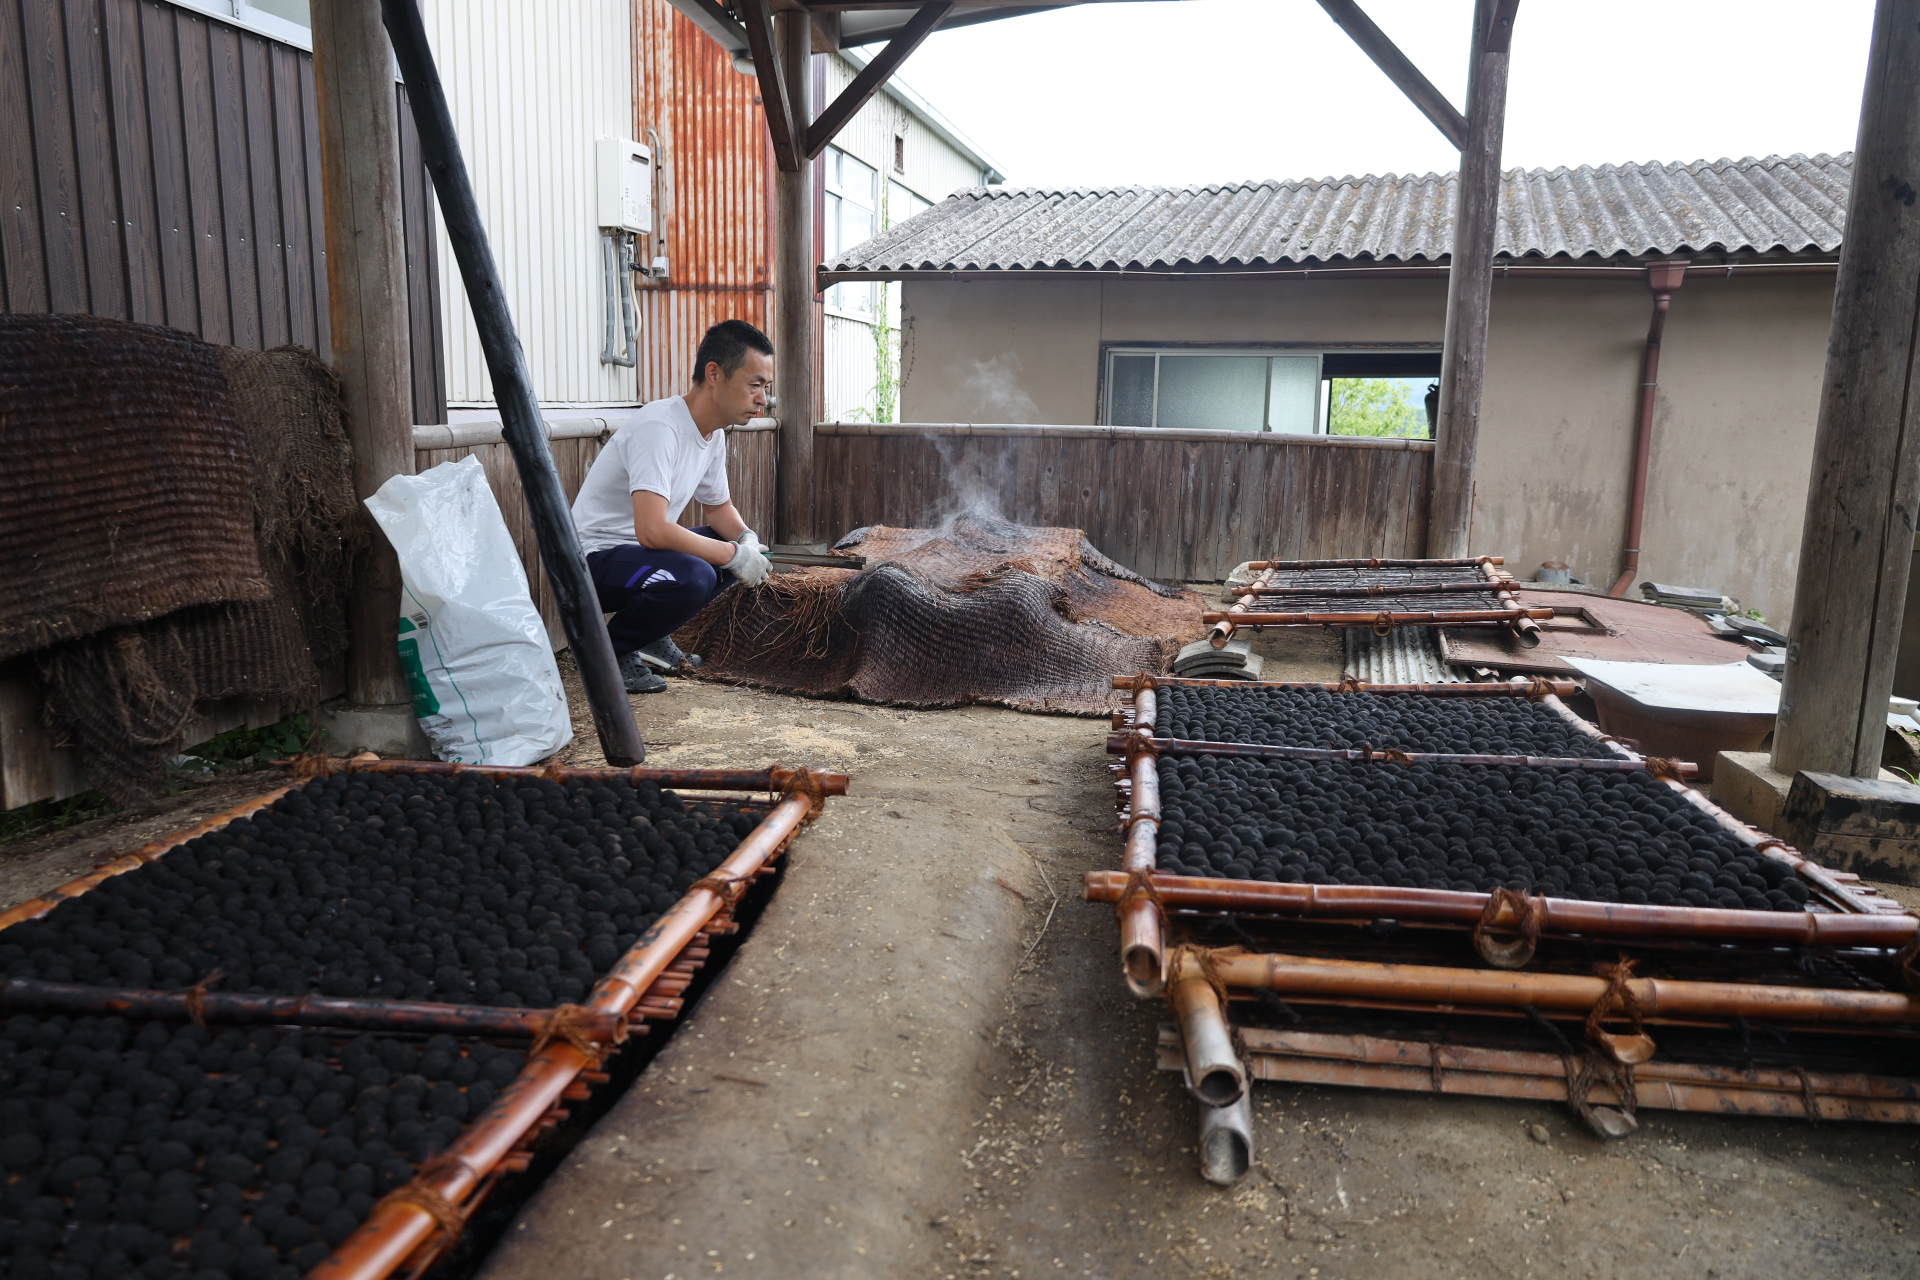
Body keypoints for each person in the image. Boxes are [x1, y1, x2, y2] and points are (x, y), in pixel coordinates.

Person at [571, 319, 776, 694]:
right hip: (590, 562)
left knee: (727, 554)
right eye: (755, 385)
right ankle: (610, 651)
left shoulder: (712, 434)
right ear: (714, 374)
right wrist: (731, 553)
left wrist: (746, 540)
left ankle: (649, 637)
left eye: (765, 387)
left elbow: (718, 509)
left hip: (634, 556)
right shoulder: (659, 426)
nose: (762, 398)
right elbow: (651, 530)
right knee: (698, 574)